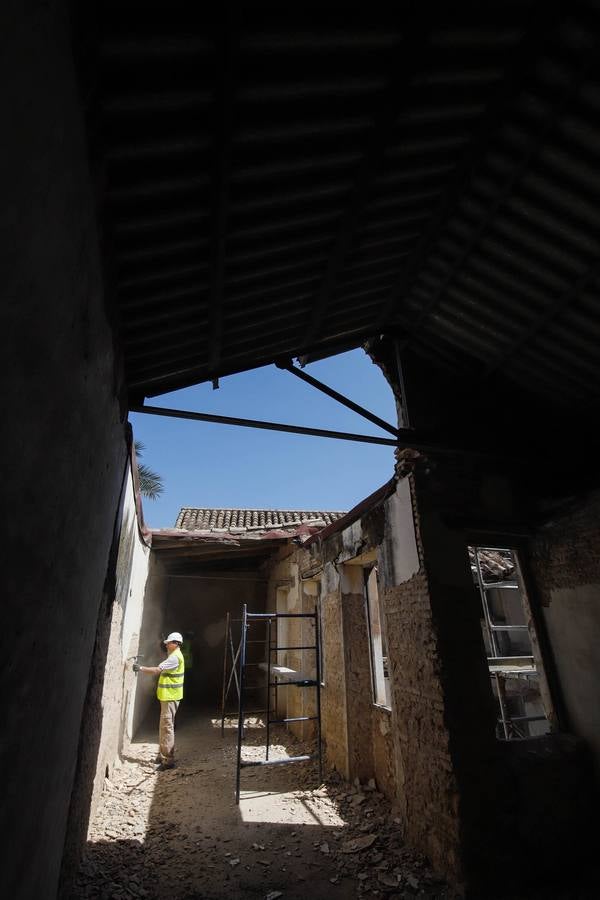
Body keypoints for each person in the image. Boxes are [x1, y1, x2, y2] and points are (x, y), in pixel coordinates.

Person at [134, 631, 185, 770]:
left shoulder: (174, 658)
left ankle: (168, 761)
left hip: (170, 696)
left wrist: (140, 668)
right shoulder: (174, 655)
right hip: (169, 696)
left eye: (168, 643)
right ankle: (163, 755)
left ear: (175, 643)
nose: (166, 644)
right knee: (164, 726)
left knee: (167, 728)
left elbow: (157, 670)